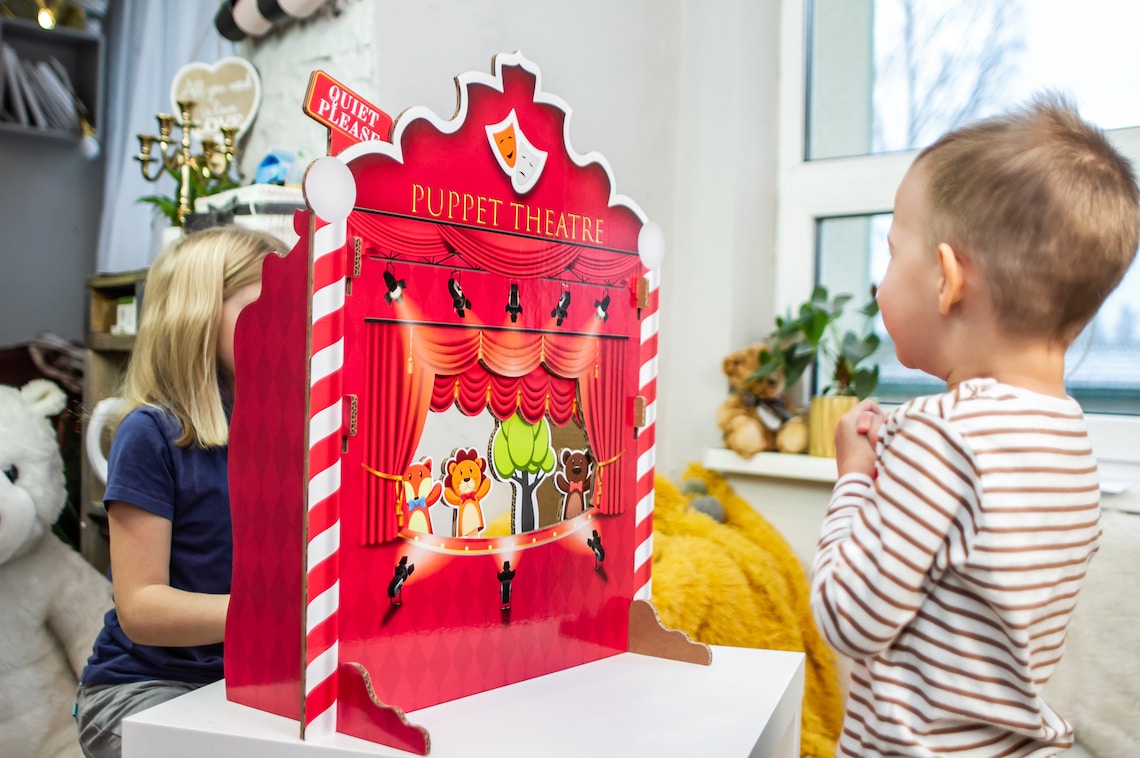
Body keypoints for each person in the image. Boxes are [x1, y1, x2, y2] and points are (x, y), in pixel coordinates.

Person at [810, 94, 1140, 757]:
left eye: (892, 253)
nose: (880, 285)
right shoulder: (1071, 441)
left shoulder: (937, 435)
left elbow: (848, 617)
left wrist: (853, 479)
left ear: (947, 279)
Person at [75, 226, 284, 758]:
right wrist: (274, 611)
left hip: (245, 683)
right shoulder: (150, 434)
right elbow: (141, 608)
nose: (289, 325)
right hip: (140, 688)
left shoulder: (285, 433)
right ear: (198, 314)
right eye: (266, 307)